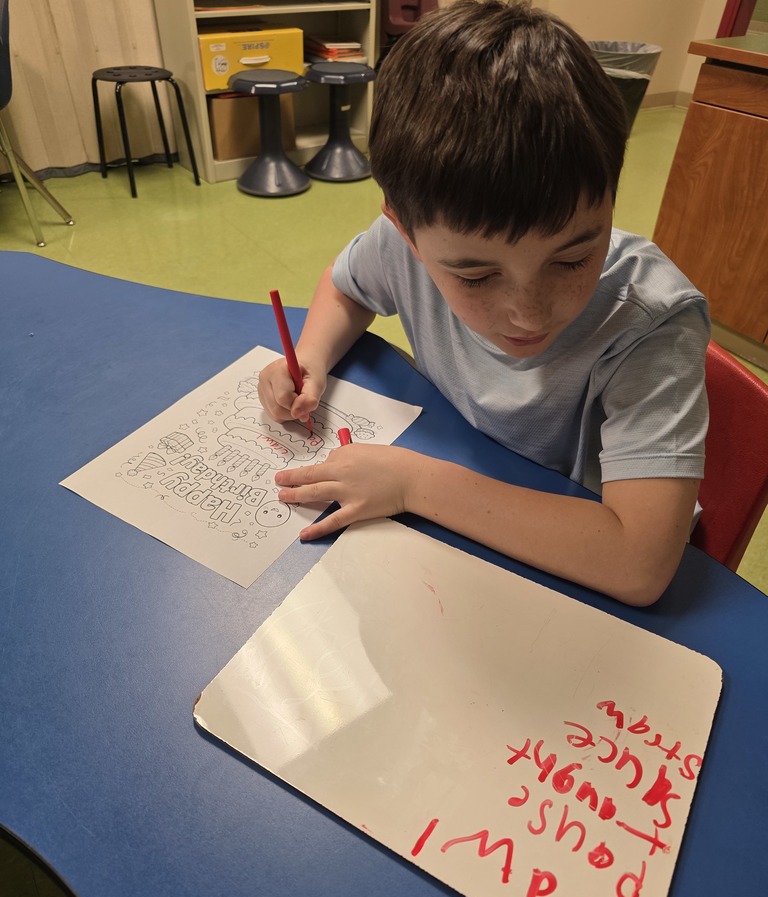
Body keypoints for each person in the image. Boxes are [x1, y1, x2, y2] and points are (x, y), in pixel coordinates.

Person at [259, 0, 709, 607]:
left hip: (586, 560)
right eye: (474, 276)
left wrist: (412, 482)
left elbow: (639, 563)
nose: (529, 312)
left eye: (573, 259)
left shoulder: (651, 324)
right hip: (470, 521)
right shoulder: (400, 244)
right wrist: (311, 354)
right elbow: (346, 287)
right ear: (406, 231)